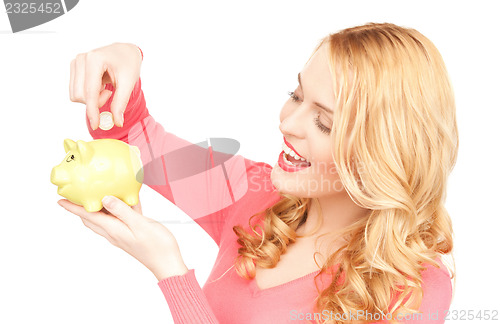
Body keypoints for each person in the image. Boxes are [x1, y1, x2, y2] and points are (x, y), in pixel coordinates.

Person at [58, 22, 458, 323]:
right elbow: (136, 141)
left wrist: (172, 273)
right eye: (296, 96)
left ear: (383, 154)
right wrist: (122, 65)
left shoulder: (412, 292)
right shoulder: (254, 191)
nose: (287, 124)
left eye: (325, 123)